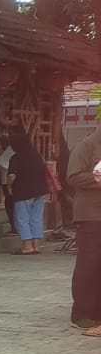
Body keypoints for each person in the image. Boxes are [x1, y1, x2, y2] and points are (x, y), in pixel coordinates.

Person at [67, 126, 101, 335]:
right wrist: (96, 179)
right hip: (92, 215)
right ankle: (82, 313)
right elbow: (73, 177)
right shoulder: (87, 145)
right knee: (89, 264)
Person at [5, 127, 48, 255]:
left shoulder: (16, 158)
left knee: (22, 218)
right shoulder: (37, 155)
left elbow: (11, 175)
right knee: (36, 218)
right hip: (40, 191)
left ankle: (27, 246)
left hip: (23, 191)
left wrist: (8, 187)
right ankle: (36, 246)